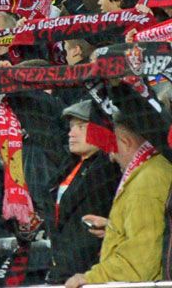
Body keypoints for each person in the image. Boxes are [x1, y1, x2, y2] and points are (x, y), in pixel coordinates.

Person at [65, 89, 172, 288]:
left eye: (113, 147)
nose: (111, 156)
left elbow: (139, 260)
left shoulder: (147, 181)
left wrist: (92, 278)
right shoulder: (153, 170)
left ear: (126, 141)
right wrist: (113, 228)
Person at [48, 100, 120, 282]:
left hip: (91, 270)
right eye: (71, 127)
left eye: (81, 126)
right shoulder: (68, 166)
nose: (71, 133)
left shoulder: (110, 168)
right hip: (63, 267)